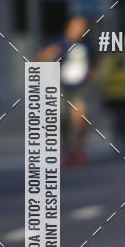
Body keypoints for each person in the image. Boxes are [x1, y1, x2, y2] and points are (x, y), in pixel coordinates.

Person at [37, 16, 94, 167]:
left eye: (83, 28)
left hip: (79, 87)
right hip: (60, 86)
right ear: (68, 27)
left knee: (80, 116)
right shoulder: (58, 42)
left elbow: (94, 62)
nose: (80, 31)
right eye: (77, 27)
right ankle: (67, 150)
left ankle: (79, 148)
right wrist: (48, 55)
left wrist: (91, 74)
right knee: (61, 119)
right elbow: (40, 58)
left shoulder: (87, 45)